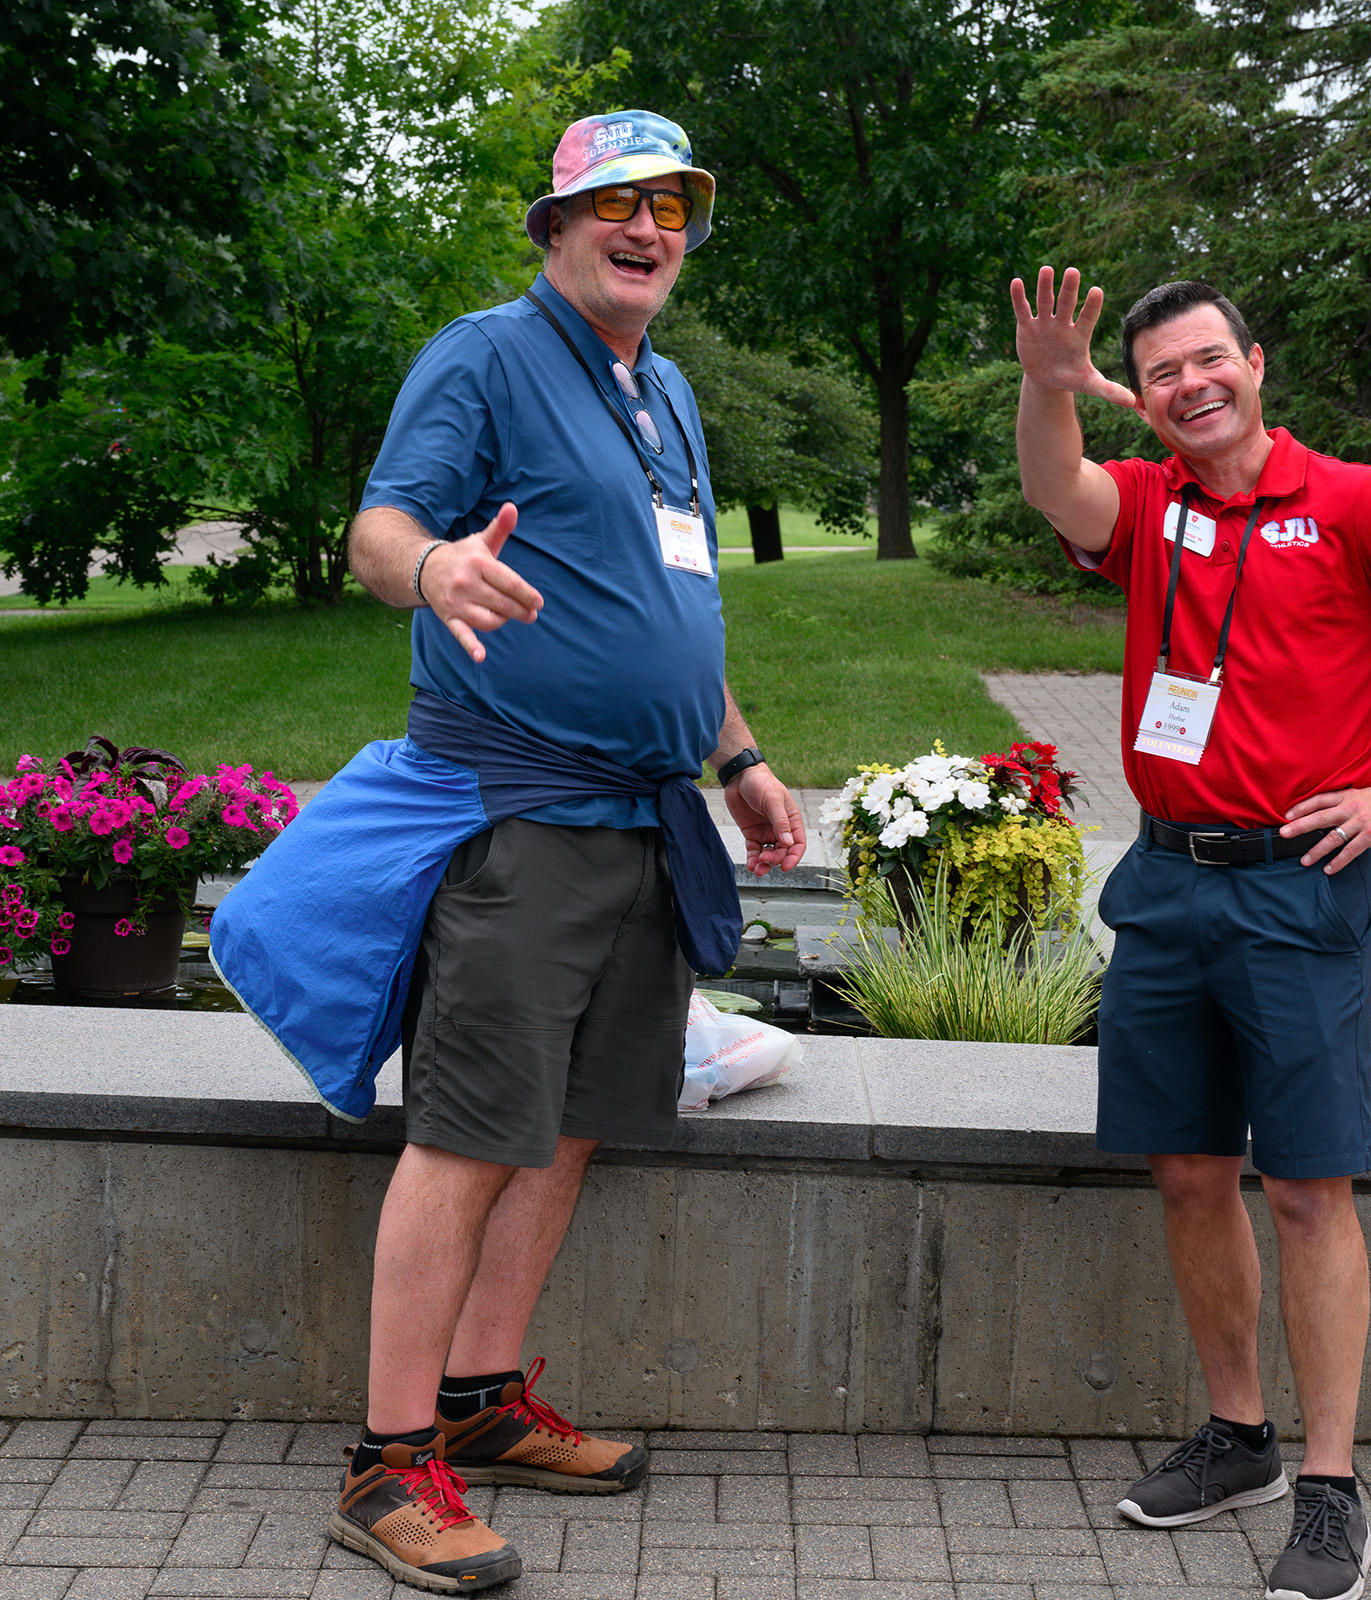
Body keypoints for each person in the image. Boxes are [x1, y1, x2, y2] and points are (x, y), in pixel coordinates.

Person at [301, 112, 805, 1593]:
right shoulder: (485, 354)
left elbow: (674, 600)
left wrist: (742, 757)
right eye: (614, 205)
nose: (647, 230)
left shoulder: (672, 396)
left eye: (672, 208)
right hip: (516, 819)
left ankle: (479, 1404)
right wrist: (435, 565)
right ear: (555, 225)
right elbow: (380, 527)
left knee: (570, 1125)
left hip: (647, 816)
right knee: (465, 1137)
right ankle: (390, 1469)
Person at [1008, 268, 1371, 1600]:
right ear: (1145, 393)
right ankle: (1239, 1438)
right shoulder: (1147, 504)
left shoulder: (1352, 499)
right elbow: (1053, 487)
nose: (1192, 385)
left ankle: (1328, 1485)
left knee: (1307, 1188)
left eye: (1210, 360)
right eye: (1164, 372)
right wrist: (1046, 384)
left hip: (1297, 890)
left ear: (1257, 364)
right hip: (1167, 884)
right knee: (1190, 1173)